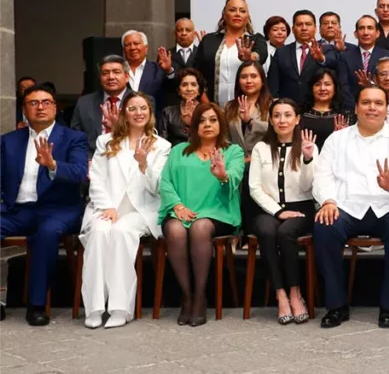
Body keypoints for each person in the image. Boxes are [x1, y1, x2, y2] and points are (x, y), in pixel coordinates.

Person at [313, 84, 389, 329]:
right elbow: (322, 176)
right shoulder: (337, 139)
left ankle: (388, 306)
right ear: (356, 108)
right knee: (324, 225)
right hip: (348, 206)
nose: (372, 108)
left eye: (378, 103)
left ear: (386, 109)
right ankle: (336, 305)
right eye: (366, 103)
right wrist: (329, 201)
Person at [80, 92, 170, 329]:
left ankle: (121, 308)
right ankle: (95, 308)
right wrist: (107, 206)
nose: (138, 113)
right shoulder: (106, 141)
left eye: (143, 108)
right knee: (98, 233)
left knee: (121, 233)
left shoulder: (161, 146)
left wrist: (143, 163)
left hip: (141, 210)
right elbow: (96, 179)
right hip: (106, 206)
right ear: (124, 113)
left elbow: (157, 188)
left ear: (150, 114)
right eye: (132, 108)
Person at [0, 85, 89, 325]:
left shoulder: (73, 138)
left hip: (58, 210)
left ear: (56, 108)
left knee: (46, 234)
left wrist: (52, 165)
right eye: (33, 103)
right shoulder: (8, 141)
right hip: (16, 209)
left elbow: (81, 173)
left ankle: (36, 305)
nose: (40, 107)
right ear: (24, 110)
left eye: (46, 102)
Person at [159, 102, 245, 326]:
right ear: (194, 126)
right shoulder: (178, 151)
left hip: (219, 213)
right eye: (202, 120)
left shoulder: (232, 151)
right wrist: (177, 206)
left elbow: (233, 181)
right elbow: (166, 182)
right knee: (175, 229)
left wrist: (222, 175)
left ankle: (200, 295)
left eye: (213, 120)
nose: (207, 124)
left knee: (201, 226)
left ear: (221, 124)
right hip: (182, 210)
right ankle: (187, 296)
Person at [248, 98, 318, 325]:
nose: (282, 120)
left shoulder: (308, 145)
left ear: (297, 119)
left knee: (286, 232)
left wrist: (308, 159)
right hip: (268, 208)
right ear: (270, 119)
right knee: (267, 231)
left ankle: (296, 293)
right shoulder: (261, 148)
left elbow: (309, 187)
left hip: (301, 208)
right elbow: (254, 187)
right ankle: (281, 295)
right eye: (277, 115)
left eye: (288, 115)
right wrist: (278, 212)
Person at [189, 0, 269, 107]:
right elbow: (196, 74)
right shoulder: (209, 40)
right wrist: (207, 103)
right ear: (224, 15)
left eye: (242, 11)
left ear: (247, 17)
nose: (237, 14)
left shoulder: (256, 39)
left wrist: (250, 57)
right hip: (212, 109)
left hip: (246, 109)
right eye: (232, 10)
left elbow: (260, 54)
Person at [269, 10, 349, 106]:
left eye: (308, 24)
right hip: (288, 109)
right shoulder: (281, 52)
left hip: (317, 108)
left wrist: (321, 59)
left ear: (315, 28)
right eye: (299, 24)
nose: (304, 28)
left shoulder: (326, 49)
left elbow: (334, 64)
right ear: (293, 29)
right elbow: (273, 82)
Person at [71, 55, 131, 155]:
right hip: (92, 160)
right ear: (100, 78)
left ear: (127, 76)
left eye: (116, 72)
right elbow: (75, 138)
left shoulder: (141, 101)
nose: (111, 77)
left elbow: (144, 135)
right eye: (105, 73)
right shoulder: (84, 103)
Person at [340, 14, 389, 100]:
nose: (365, 32)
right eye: (361, 28)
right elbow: (344, 87)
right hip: (352, 108)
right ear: (356, 34)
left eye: (370, 28)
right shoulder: (345, 57)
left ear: (377, 33)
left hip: (380, 106)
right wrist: (356, 108)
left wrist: (371, 85)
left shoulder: (388, 56)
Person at [224, 61, 271, 159]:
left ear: (262, 81)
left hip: (263, 162)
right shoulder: (229, 106)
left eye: (254, 76)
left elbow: (276, 131)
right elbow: (225, 139)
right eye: (244, 77)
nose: (248, 81)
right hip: (236, 163)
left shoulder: (273, 105)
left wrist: (250, 122)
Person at [300, 67, 350, 150]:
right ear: (311, 88)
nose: (322, 88)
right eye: (317, 84)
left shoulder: (344, 115)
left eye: (327, 84)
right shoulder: (300, 112)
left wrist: (341, 136)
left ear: (335, 88)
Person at [122, 30, 173, 107]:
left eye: (136, 43)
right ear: (123, 49)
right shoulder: (118, 71)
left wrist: (168, 71)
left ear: (146, 48)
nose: (132, 48)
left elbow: (172, 90)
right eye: (128, 45)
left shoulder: (158, 69)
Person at [158, 68, 203, 146]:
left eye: (193, 84)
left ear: (199, 90)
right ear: (178, 90)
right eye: (184, 85)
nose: (189, 89)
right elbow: (162, 142)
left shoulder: (207, 112)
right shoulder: (168, 112)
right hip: (173, 155)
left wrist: (191, 124)